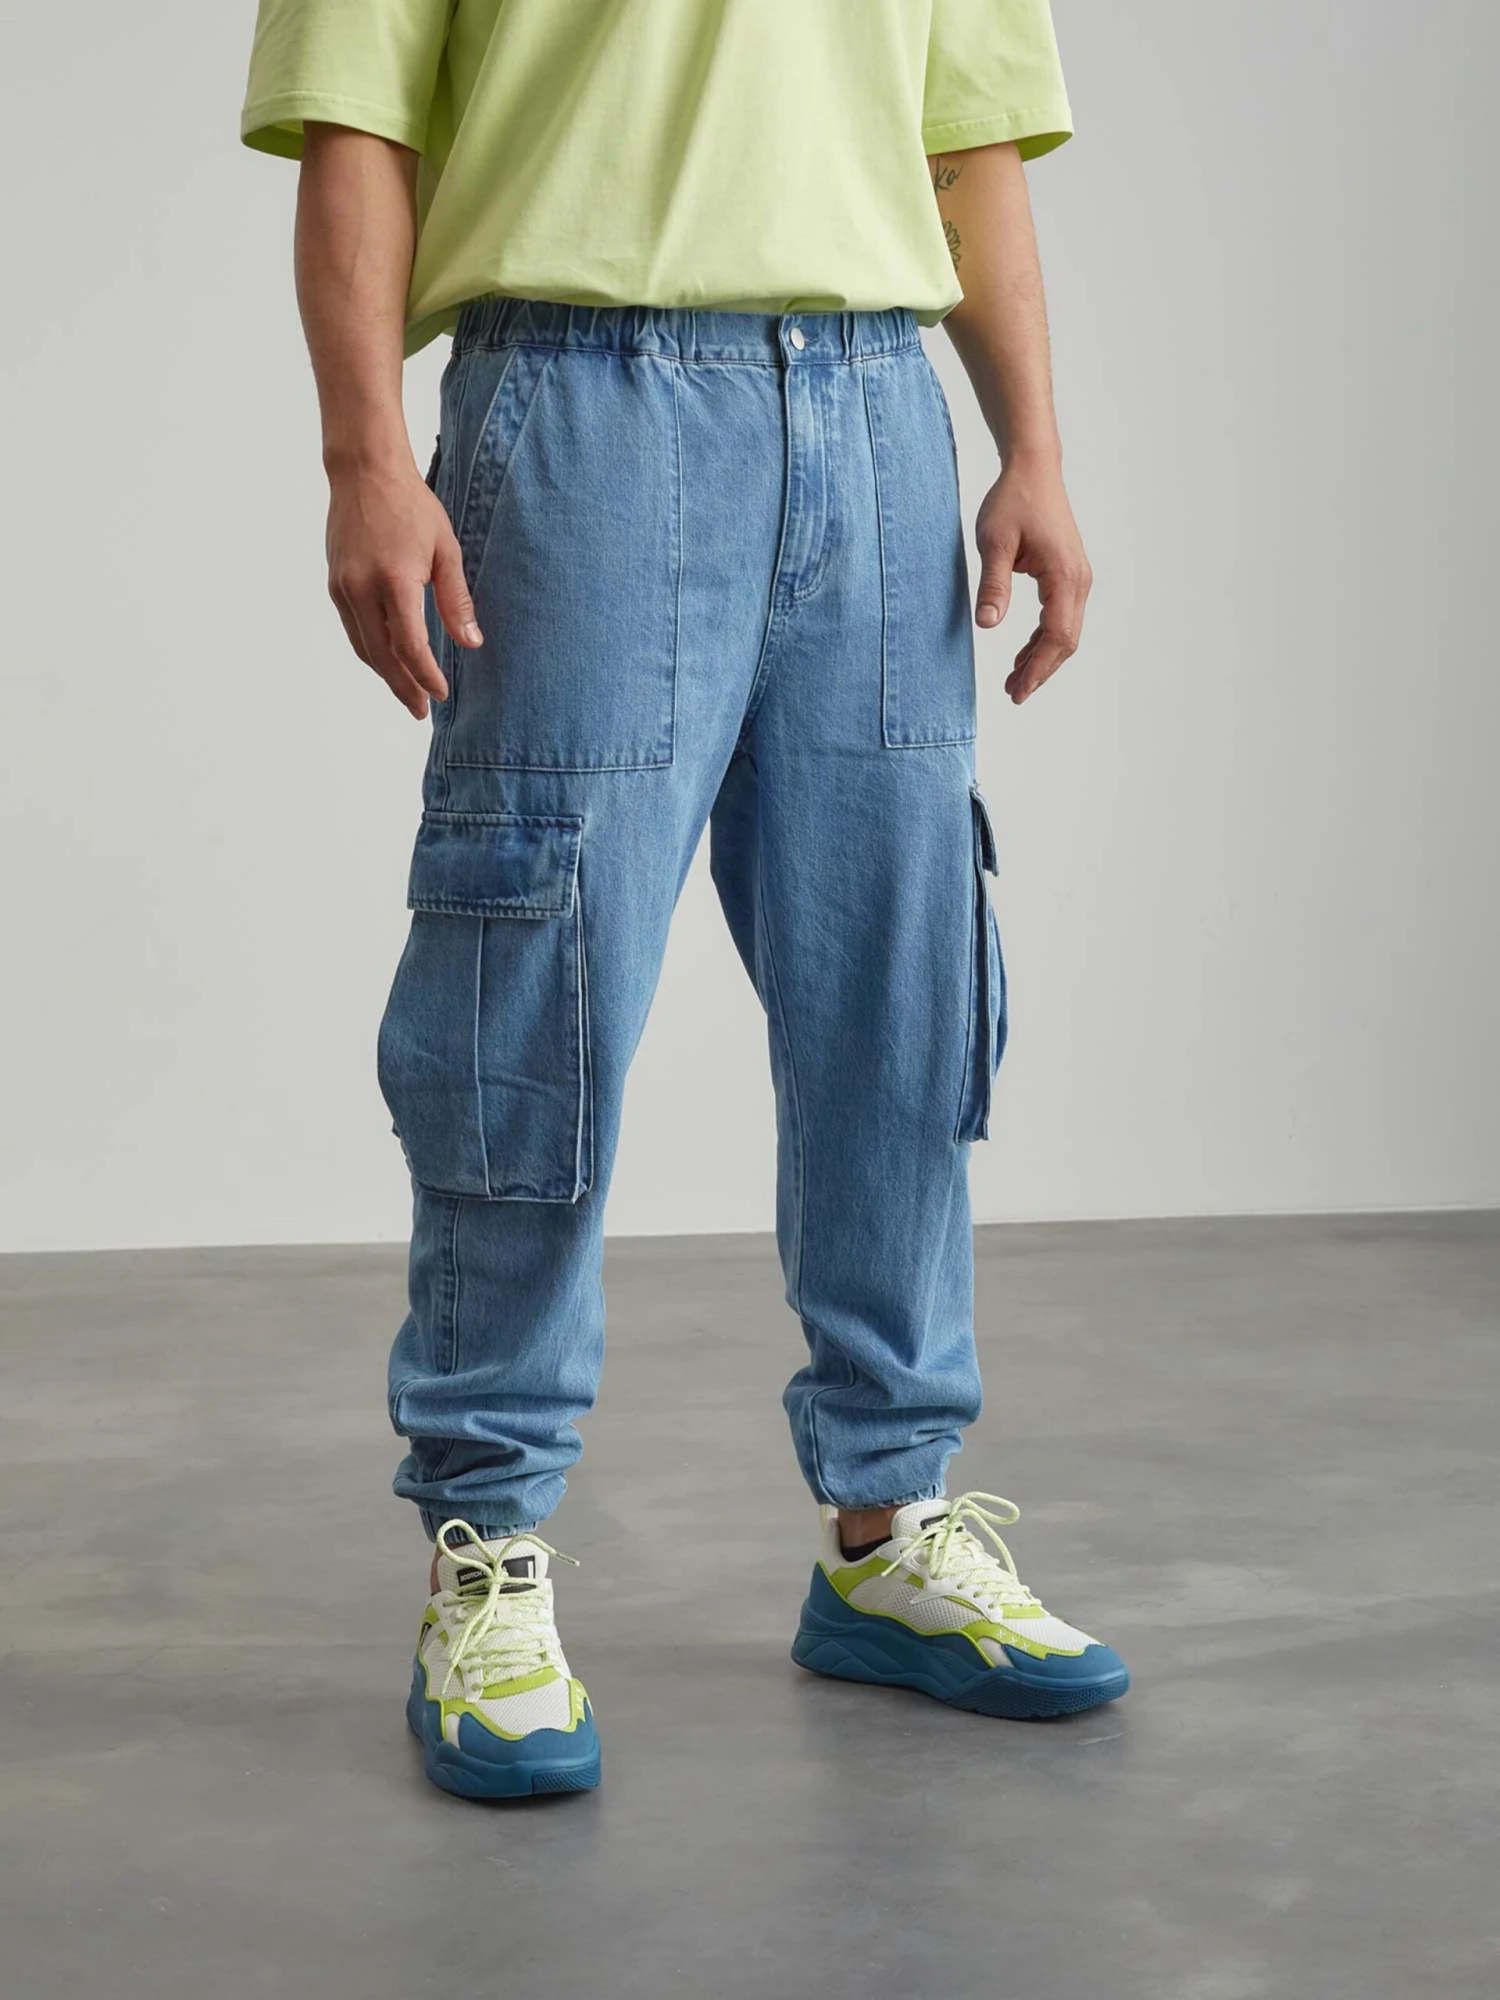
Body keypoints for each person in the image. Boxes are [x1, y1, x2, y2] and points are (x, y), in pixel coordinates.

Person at [241, 0, 1128, 1800]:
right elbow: (358, 127)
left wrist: (1031, 445)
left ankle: (891, 1530)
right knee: (533, 984)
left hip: (880, 411)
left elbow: (967, 146)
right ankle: (486, 1543)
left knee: (901, 985)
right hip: (585, 400)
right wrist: (364, 458)